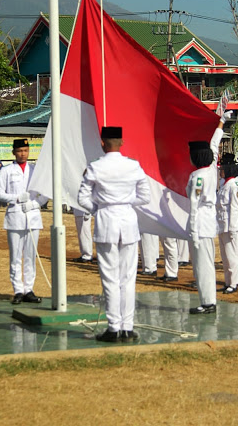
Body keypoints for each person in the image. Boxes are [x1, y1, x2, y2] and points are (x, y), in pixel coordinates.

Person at [78, 126, 150, 343]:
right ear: (122, 142)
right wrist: (125, 203)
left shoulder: (95, 167)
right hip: (128, 221)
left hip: (106, 220)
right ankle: (127, 328)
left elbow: (82, 198)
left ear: (102, 143)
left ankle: (113, 327)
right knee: (128, 278)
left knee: (110, 278)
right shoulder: (133, 166)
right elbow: (145, 197)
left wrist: (100, 208)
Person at [186, 112, 230, 314]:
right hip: (208, 222)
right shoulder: (212, 169)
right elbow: (214, 145)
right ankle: (209, 300)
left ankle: (207, 303)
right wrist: (221, 122)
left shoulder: (198, 177)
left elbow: (194, 206)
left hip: (200, 224)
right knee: (207, 263)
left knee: (202, 265)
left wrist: (193, 232)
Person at [0, 138, 48, 304]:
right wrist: (16, 198)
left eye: (25, 150)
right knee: (16, 256)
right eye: (19, 151)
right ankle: (18, 290)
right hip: (15, 217)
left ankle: (29, 289)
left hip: (32, 217)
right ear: (14, 153)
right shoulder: (7, 171)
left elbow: (45, 192)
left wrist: (34, 203)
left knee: (30, 256)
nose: (23, 154)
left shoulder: (35, 170)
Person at [216, 154, 238, 294]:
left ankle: (234, 283)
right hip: (221, 224)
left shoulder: (234, 185)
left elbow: (234, 208)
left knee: (231, 256)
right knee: (225, 256)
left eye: (223, 169)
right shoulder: (225, 184)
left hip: (229, 226)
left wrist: (232, 228)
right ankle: (227, 282)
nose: (221, 171)